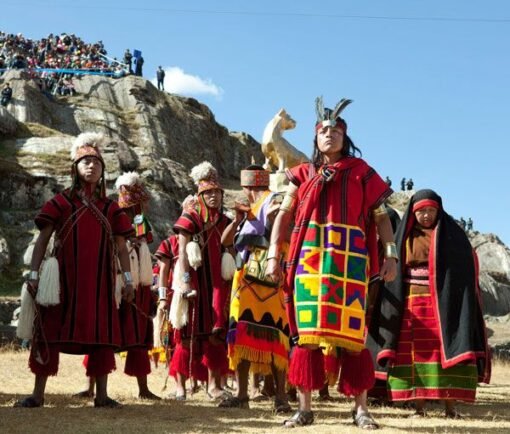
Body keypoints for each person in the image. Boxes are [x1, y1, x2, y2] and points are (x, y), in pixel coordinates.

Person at [266, 97, 398, 429]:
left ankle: (361, 409)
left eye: (336, 130)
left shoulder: (362, 172)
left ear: (345, 136)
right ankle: (305, 408)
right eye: (324, 131)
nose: (330, 135)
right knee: (307, 337)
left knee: (353, 339)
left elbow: (381, 218)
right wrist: (273, 255)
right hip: (309, 260)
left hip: (350, 263)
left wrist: (391, 254)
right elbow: (283, 215)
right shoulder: (302, 174)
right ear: (316, 138)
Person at [15, 132, 135, 408]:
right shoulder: (60, 202)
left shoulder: (111, 208)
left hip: (99, 282)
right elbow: (42, 240)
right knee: (49, 329)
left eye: (96, 162)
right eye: (85, 161)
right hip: (61, 281)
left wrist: (127, 279)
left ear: (103, 170)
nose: (92, 166)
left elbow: (120, 247)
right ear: (75, 168)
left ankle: (102, 395)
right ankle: (37, 394)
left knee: (102, 333)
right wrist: (33, 275)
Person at [367, 189, 491, 418]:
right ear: (413, 213)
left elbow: (463, 273)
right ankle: (419, 408)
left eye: (431, 210)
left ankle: (450, 408)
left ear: (439, 211)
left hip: (443, 308)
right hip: (412, 306)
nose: (426, 215)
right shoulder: (403, 238)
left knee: (446, 355)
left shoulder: (453, 238)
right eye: (421, 211)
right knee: (415, 357)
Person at [218, 165, 291, 412]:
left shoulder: (274, 200)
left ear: (248, 185)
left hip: (269, 274)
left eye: (248, 187)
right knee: (240, 333)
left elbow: (283, 234)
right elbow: (225, 242)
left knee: (275, 332)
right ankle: (242, 395)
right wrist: (239, 220)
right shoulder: (248, 210)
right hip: (245, 279)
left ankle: (280, 397)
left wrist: (259, 230)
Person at [162, 161, 231, 400]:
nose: (214, 196)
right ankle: (181, 388)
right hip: (194, 284)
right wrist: (184, 283)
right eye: (208, 193)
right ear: (200, 196)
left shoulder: (225, 222)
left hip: (218, 286)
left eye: (217, 192)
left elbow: (230, 251)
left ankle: (214, 386)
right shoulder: (190, 219)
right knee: (187, 335)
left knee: (215, 334)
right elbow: (181, 254)